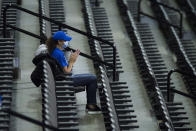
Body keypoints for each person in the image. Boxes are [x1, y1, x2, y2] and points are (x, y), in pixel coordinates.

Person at [46, 31, 101, 114]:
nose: (66, 42)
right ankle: (91, 106)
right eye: (64, 41)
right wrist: (72, 61)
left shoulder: (55, 51)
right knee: (92, 79)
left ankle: (91, 105)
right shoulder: (58, 54)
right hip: (64, 80)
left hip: (62, 77)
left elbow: (64, 69)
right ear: (59, 42)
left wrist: (70, 61)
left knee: (91, 76)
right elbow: (67, 72)